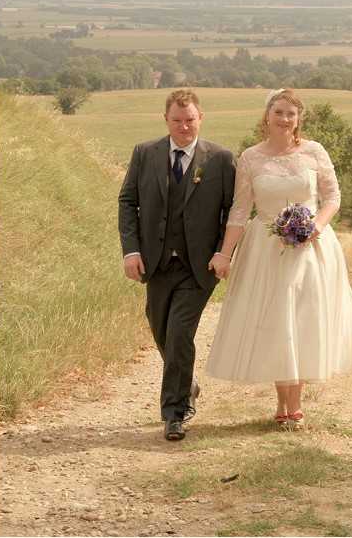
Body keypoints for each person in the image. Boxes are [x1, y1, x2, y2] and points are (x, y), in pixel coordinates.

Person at [205, 88, 352, 425]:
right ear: (267, 115)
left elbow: (332, 197)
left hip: (311, 249)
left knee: (300, 320)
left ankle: (294, 405)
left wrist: (317, 226)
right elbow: (240, 212)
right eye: (279, 112)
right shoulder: (251, 158)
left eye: (291, 114)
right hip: (265, 249)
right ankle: (282, 402)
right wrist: (224, 254)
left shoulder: (314, 152)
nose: (285, 119)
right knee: (275, 322)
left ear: (299, 120)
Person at [118, 88, 235, 441]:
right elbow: (128, 202)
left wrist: (223, 252)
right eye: (177, 121)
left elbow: (233, 212)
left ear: (201, 118)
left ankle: (175, 413)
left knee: (180, 332)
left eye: (190, 120)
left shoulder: (221, 159)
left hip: (199, 267)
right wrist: (130, 251)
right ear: (165, 120)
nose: (184, 127)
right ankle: (187, 381)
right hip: (156, 263)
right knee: (161, 330)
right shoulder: (145, 153)